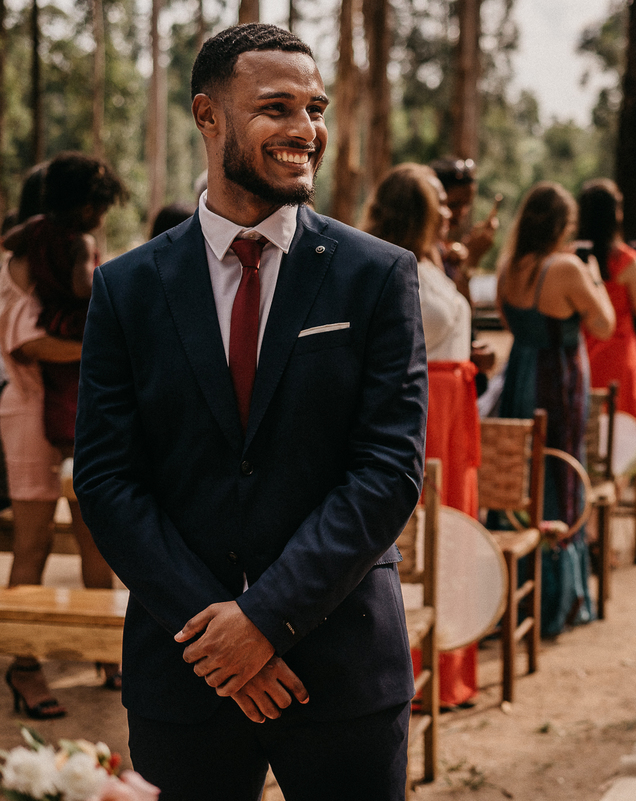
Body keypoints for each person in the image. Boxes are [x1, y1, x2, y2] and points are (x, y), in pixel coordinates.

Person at [73, 23, 426, 801]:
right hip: (184, 670)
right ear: (208, 116)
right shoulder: (126, 289)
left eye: (315, 107)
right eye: (277, 108)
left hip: (340, 671)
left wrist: (264, 619)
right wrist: (215, 631)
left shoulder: (377, 277)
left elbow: (387, 471)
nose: (306, 130)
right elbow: (106, 479)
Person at [0, 162, 122, 720]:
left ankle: (107, 649)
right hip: (28, 411)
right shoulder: (18, 261)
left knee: (99, 534)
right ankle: (24, 663)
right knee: (34, 543)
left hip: (73, 410)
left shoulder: (59, 251)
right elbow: (27, 344)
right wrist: (102, 347)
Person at [363, 163, 481, 708]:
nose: (450, 207)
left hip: (456, 407)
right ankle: (406, 666)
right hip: (424, 410)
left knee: (456, 533)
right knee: (424, 534)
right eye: (439, 198)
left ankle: (451, 669)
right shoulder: (391, 263)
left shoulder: (436, 259)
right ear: (416, 208)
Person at [495, 181, 614, 637]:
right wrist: (596, 278)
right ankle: (560, 595)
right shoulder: (565, 268)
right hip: (560, 383)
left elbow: (511, 323)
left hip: (521, 376)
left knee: (525, 474)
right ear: (564, 226)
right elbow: (605, 323)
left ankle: (521, 586)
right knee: (563, 475)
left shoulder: (509, 269)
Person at [3, 153, 129, 451]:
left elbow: (7, 241)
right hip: (76, 322)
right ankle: (78, 441)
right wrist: (113, 280)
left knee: (59, 386)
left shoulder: (35, 227)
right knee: (84, 383)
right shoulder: (82, 243)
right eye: (102, 211)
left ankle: (63, 437)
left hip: (51, 317)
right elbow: (82, 287)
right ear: (87, 209)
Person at [577, 179, 636, 437]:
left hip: (584, 354)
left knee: (589, 433)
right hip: (620, 358)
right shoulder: (626, 260)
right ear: (615, 214)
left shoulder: (572, 259)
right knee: (623, 434)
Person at [430, 157, 498, 298]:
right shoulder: (420, 252)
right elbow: (454, 310)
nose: (461, 213)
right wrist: (472, 259)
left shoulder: (444, 249)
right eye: (454, 204)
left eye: (467, 204)